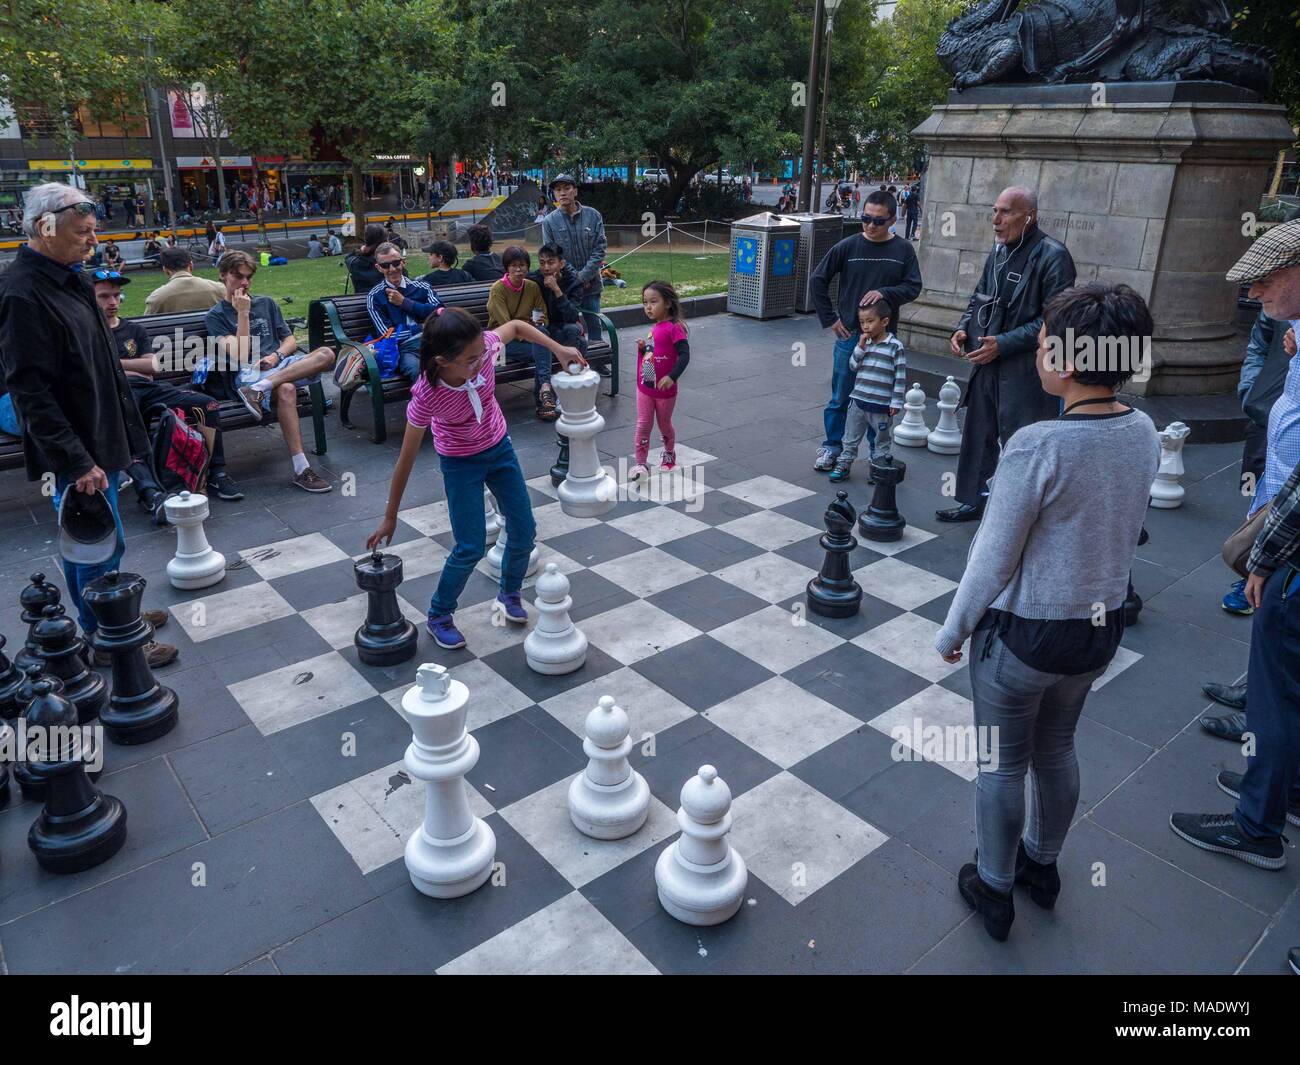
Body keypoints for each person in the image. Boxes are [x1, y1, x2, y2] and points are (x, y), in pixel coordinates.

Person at [936, 283, 1161, 942]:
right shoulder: (1143, 430)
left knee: (1002, 764)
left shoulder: (1039, 445)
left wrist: (954, 630)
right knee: (1057, 748)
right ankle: (1043, 866)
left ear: (1065, 358)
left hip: (1025, 636)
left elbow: (991, 560)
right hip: (1098, 632)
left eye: (1040, 344)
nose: (1035, 354)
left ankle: (995, 887)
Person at [1172, 220, 1300, 896]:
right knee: (1284, 686)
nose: (1255, 291)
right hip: (1284, 518)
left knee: (1278, 688)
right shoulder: (1292, 336)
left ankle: (1257, 825)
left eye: (1269, 278)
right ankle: (1284, 786)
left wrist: (1264, 553)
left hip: (1295, 549)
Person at [0, 182, 177, 664]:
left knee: (108, 536)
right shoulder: (21, 295)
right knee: (93, 540)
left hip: (103, 430)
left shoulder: (72, 276)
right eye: (83, 233)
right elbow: (30, 391)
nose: (92, 241)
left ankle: (116, 613)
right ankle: (106, 637)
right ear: (45, 227)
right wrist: (76, 461)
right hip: (77, 446)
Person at [365, 307, 585, 650]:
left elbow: (515, 326)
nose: (481, 361)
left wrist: (558, 348)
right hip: (459, 462)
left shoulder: (482, 350)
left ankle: (509, 593)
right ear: (442, 361)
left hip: (499, 450)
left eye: (482, 353)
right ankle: (439, 615)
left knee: (524, 530)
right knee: (469, 546)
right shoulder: (427, 394)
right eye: (470, 359)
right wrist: (390, 515)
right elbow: (406, 458)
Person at [938, 185, 1077, 523]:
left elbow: (1053, 321)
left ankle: (1020, 513)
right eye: (994, 211)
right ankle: (973, 499)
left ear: (1029, 216)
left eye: (1005, 212)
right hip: (987, 362)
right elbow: (979, 297)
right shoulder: (998, 252)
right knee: (978, 432)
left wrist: (1004, 342)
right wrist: (962, 329)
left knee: (1023, 443)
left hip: (1027, 370)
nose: (995, 220)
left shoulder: (1053, 256)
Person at [91, 270, 243, 505]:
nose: (112, 302)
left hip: (148, 388)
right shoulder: (87, 333)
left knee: (207, 404)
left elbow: (152, 365)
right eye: (103, 296)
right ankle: (151, 493)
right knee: (128, 417)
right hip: (114, 393)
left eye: (116, 295)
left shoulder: (133, 330)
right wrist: (130, 368)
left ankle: (217, 473)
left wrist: (113, 364)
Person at [809, 189, 923, 472]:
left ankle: (876, 452)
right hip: (850, 335)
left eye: (878, 221)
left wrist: (885, 292)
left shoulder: (903, 250)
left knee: (878, 400)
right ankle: (832, 447)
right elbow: (817, 280)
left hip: (884, 341)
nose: (871, 226)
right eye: (865, 219)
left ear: (893, 220)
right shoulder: (848, 246)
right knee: (840, 396)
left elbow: (913, 287)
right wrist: (830, 319)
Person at [205, 250, 336, 493]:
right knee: (286, 389)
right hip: (247, 373)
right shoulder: (216, 316)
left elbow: (289, 341)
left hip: (276, 366)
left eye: (249, 277)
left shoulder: (266, 303)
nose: (244, 283)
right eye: (238, 276)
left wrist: (277, 355)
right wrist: (243, 313)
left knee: (326, 354)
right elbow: (241, 354)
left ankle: (259, 390)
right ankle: (301, 468)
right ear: (223, 275)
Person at [829, 300, 905, 483]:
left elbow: (900, 377)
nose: (865, 326)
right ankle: (844, 463)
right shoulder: (864, 343)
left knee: (881, 440)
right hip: (858, 401)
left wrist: (896, 402)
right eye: (862, 322)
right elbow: (853, 366)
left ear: (885, 322)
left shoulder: (895, 346)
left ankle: (879, 466)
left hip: (881, 405)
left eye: (870, 321)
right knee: (850, 436)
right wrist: (860, 348)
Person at [486, 246, 558, 420]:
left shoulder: (532, 287)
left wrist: (539, 323)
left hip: (530, 337)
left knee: (541, 341)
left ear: (527, 266)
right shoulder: (498, 289)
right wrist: (532, 332)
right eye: (513, 265)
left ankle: (544, 392)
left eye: (522, 265)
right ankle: (544, 398)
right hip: (502, 343)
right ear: (507, 267)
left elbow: (543, 317)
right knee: (543, 349)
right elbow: (506, 326)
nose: (518, 270)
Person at [631, 281, 690, 481]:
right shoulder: (654, 328)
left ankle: (669, 452)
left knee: (664, 424)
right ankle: (640, 463)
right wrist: (642, 349)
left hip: (665, 389)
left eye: (653, 302)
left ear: (667, 303)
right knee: (643, 424)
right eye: (645, 302)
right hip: (646, 386)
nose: (648, 306)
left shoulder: (675, 328)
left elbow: (684, 355)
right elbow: (653, 354)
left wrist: (672, 377)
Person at [542, 173, 608, 343]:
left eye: (566, 188)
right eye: (558, 190)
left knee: (594, 322)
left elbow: (599, 249)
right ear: (554, 194)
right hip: (566, 285)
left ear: (575, 191)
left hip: (591, 283)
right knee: (570, 324)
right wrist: (576, 279)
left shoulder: (593, 216)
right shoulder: (549, 222)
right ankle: (578, 359)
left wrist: (584, 276)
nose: (562, 193)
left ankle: (598, 359)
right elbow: (552, 255)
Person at [367, 242, 442, 383]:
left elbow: (440, 313)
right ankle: (433, 405)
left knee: (458, 361)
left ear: (403, 262)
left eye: (396, 263)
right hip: (404, 349)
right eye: (385, 265)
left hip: (434, 341)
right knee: (418, 371)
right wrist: (421, 327)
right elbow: (386, 334)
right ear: (378, 268)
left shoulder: (422, 287)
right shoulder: (375, 296)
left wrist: (405, 303)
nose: (392, 269)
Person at [526, 243, 587, 356]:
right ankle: (571, 367)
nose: (546, 268)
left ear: (561, 264)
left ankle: (569, 366)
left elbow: (572, 317)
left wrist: (557, 290)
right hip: (546, 325)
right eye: (542, 263)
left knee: (572, 329)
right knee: (581, 342)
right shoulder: (534, 280)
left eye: (551, 262)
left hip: (566, 323)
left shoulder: (574, 282)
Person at [144, 247, 226, 314]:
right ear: (191, 265)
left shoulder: (157, 297)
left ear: (165, 270)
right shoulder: (219, 289)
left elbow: (147, 324)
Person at [346, 223, 387, 293]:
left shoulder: (354, 263)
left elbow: (348, 257)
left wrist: (362, 249)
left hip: (361, 300)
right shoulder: (391, 263)